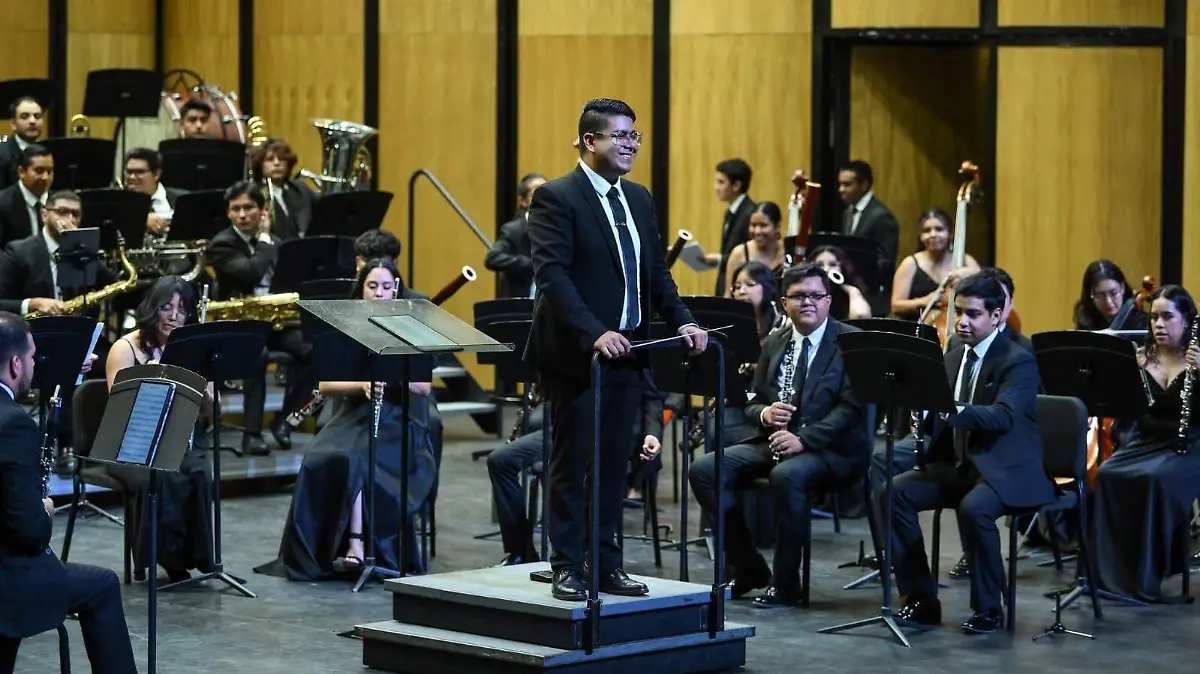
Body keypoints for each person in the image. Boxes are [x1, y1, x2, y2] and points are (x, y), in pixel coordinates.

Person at [526, 97, 706, 601]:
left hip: (630, 351)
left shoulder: (639, 198)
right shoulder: (557, 198)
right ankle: (565, 564)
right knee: (571, 462)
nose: (630, 145)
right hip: (578, 355)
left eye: (635, 137)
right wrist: (594, 332)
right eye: (619, 136)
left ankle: (605, 564)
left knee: (613, 464)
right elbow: (553, 277)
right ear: (590, 142)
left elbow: (656, 272)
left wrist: (684, 320)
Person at [690, 263, 870, 607]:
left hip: (833, 449)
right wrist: (765, 413)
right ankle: (749, 567)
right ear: (784, 302)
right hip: (776, 441)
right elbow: (753, 400)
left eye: (816, 295)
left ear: (829, 301)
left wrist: (804, 440)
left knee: (787, 475)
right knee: (705, 470)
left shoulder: (850, 343)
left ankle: (787, 584)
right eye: (799, 296)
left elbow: (851, 410)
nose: (808, 303)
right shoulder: (775, 342)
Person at [883, 272, 1053, 634]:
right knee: (894, 492)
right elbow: (940, 416)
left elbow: (1005, 416)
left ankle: (989, 608)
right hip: (963, 463)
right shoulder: (953, 355)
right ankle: (920, 599)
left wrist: (952, 409)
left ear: (996, 315)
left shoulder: (1018, 360)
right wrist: (923, 415)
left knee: (974, 508)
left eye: (973, 314)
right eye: (959, 312)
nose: (962, 321)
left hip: (1007, 466)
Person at [255, 259, 439, 580]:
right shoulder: (347, 326)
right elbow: (326, 385)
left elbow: (422, 388)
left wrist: (391, 379)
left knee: (358, 459)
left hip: (400, 417)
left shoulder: (412, 326)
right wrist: (363, 385)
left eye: (385, 286)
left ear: (395, 289)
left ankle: (356, 544)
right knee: (318, 457)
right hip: (354, 413)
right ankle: (320, 548)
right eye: (372, 286)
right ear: (361, 289)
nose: (379, 293)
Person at [0, 312, 138, 673]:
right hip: (6, 578)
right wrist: (43, 510)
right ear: (15, 364)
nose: (35, 364)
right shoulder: (13, 423)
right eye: (32, 358)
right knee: (103, 585)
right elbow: (27, 532)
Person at [486, 369, 664, 566]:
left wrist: (652, 433)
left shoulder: (630, 349)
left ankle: (578, 558)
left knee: (566, 470)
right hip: (569, 425)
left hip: (612, 431)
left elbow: (652, 397)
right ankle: (520, 551)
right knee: (500, 460)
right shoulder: (577, 341)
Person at [1092, 285, 1200, 602]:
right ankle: (1111, 575)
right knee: (1108, 474)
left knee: (1155, 481)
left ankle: (1146, 577)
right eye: (1154, 317)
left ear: (1188, 320)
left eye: (1168, 317)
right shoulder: (1141, 358)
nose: (1159, 325)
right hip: (1146, 442)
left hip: (1189, 444)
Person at [105, 275, 215, 583]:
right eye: (166, 308)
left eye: (181, 310)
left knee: (198, 472)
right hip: (132, 443)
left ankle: (198, 556)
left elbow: (208, 410)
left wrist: (204, 393)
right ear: (152, 308)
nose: (174, 317)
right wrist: (153, 381)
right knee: (163, 474)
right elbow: (120, 406)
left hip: (181, 438)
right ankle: (162, 559)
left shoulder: (194, 349)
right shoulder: (125, 348)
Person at [206, 181, 315, 454]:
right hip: (239, 325)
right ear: (228, 213)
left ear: (262, 210)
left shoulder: (277, 243)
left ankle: (287, 419)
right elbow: (253, 272)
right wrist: (266, 241)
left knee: (313, 350)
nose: (242, 215)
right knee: (259, 355)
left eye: (249, 208)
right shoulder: (222, 245)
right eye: (236, 209)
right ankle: (252, 434)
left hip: (274, 321)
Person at [890, 208, 979, 321]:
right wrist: (925, 301)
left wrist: (974, 274)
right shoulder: (910, 263)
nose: (933, 234)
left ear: (950, 233)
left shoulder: (965, 260)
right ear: (920, 236)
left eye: (939, 229)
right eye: (927, 231)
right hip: (916, 328)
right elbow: (896, 306)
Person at [838, 160, 899, 310]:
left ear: (864, 185)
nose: (841, 189)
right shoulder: (848, 213)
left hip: (873, 296)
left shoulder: (882, 216)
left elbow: (886, 262)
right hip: (853, 291)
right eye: (840, 184)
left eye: (847, 184)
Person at [485, 173, 546, 298]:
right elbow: (493, 258)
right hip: (521, 303)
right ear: (523, 201)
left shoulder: (561, 227)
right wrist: (530, 264)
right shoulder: (513, 230)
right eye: (536, 191)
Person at [251, 138, 318, 241]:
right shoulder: (254, 193)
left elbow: (324, 209)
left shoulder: (300, 188)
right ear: (260, 165)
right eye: (270, 159)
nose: (277, 163)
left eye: (282, 159)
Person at [706, 159, 756, 296]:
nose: (716, 187)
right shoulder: (730, 213)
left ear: (736, 185)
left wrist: (719, 259)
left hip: (740, 289)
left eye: (721, 182)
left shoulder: (750, 213)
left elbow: (750, 255)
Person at [722, 201, 785, 297]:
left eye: (763, 225)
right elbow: (729, 295)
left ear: (777, 227)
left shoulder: (787, 251)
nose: (757, 231)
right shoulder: (739, 253)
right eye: (753, 225)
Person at [123, 147, 187, 240]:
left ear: (156, 174)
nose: (132, 177)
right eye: (129, 172)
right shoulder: (116, 201)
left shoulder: (182, 198)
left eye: (139, 172)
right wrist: (141, 219)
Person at [0, 143, 53, 249]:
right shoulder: (3, 204)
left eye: (49, 171)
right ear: (21, 172)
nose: (45, 177)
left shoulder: (57, 202)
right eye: (39, 171)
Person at [1073, 259, 1150, 332]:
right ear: (1090, 294)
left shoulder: (1140, 319)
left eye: (1114, 293)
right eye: (1100, 295)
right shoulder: (1084, 317)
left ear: (1122, 287)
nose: (1108, 301)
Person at [809, 245, 871, 320]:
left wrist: (853, 292)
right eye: (819, 265)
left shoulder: (850, 294)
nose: (826, 269)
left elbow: (861, 317)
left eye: (833, 264)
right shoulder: (806, 295)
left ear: (842, 269)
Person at [0, 96, 44, 189]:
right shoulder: (2, 153)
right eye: (25, 116)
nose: (32, 121)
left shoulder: (48, 151)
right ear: (13, 124)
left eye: (37, 116)